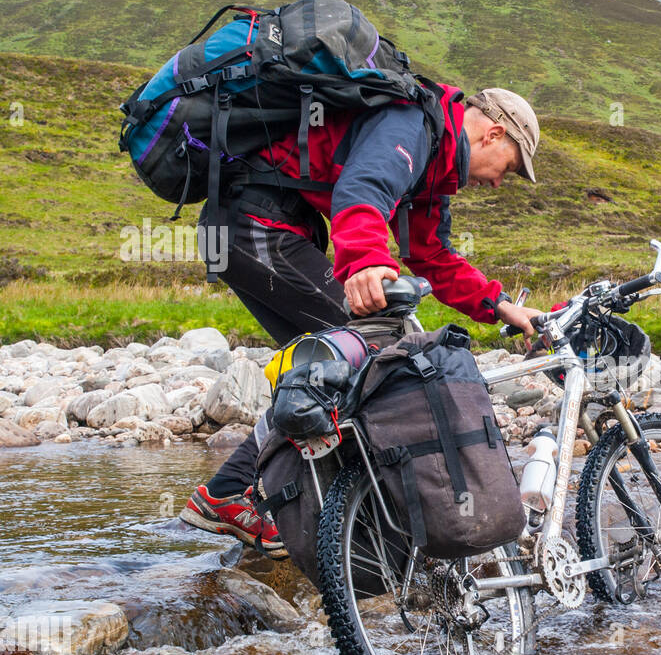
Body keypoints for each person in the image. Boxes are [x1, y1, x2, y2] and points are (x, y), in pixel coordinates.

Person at [179, 85, 544, 556]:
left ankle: (264, 503)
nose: (498, 183)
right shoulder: (411, 125)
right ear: (494, 133)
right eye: (509, 169)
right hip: (257, 225)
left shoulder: (433, 169)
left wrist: (501, 305)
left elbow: (431, 253)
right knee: (369, 355)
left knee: (330, 371)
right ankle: (235, 493)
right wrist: (366, 260)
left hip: (254, 230)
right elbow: (364, 188)